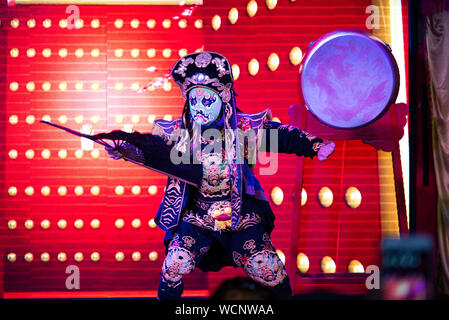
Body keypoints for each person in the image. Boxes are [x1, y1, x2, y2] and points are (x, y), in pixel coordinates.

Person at [94, 51, 335, 300]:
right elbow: (152, 150)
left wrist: (315, 145)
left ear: (224, 97)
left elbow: (281, 136)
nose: (199, 108)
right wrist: (126, 151)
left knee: (270, 269)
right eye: (194, 101)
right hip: (197, 218)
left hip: (240, 217)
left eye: (207, 101)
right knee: (173, 267)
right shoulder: (178, 132)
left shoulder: (243, 129)